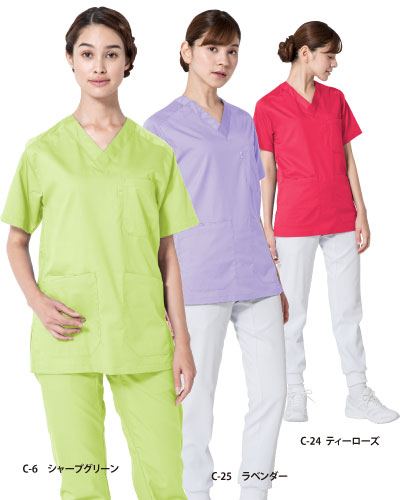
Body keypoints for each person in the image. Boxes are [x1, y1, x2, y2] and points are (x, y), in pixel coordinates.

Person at [1, 7, 199, 500]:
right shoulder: (42, 151)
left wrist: (183, 342)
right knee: (83, 483)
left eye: (112, 54)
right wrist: (36, 301)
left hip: (142, 331)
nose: (99, 66)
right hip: (67, 332)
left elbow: (168, 255)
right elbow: (17, 241)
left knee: (164, 480)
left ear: (127, 61)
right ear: (70, 59)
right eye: (87, 54)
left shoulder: (156, 153)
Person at [144, 10, 288, 500]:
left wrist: (275, 275)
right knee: (195, 402)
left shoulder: (245, 123)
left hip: (256, 276)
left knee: (273, 394)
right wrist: (160, 296)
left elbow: (251, 206)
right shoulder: (160, 128)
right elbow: (153, 223)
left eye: (231, 51)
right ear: (186, 52)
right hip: (197, 280)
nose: (222, 60)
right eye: (211, 48)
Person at [253, 21, 399, 424]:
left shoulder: (336, 100)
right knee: (292, 311)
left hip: (340, 216)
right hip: (294, 220)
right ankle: (293, 391)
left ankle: (358, 393)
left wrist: (362, 211)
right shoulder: (268, 106)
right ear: (306, 53)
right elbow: (268, 171)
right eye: (329, 56)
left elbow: (348, 159)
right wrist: (266, 225)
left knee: (348, 309)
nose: (334, 64)